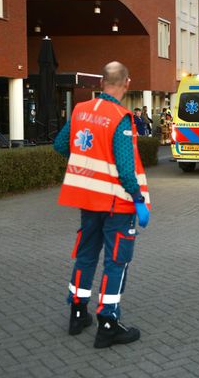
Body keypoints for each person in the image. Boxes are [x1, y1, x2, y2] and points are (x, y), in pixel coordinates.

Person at [53, 61, 151, 349]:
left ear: (100, 83)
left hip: (86, 199)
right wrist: (138, 200)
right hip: (115, 204)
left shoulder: (80, 110)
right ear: (127, 83)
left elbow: (60, 145)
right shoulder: (120, 117)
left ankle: (77, 313)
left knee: (85, 256)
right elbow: (125, 167)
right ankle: (108, 323)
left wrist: (87, 164)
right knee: (116, 261)